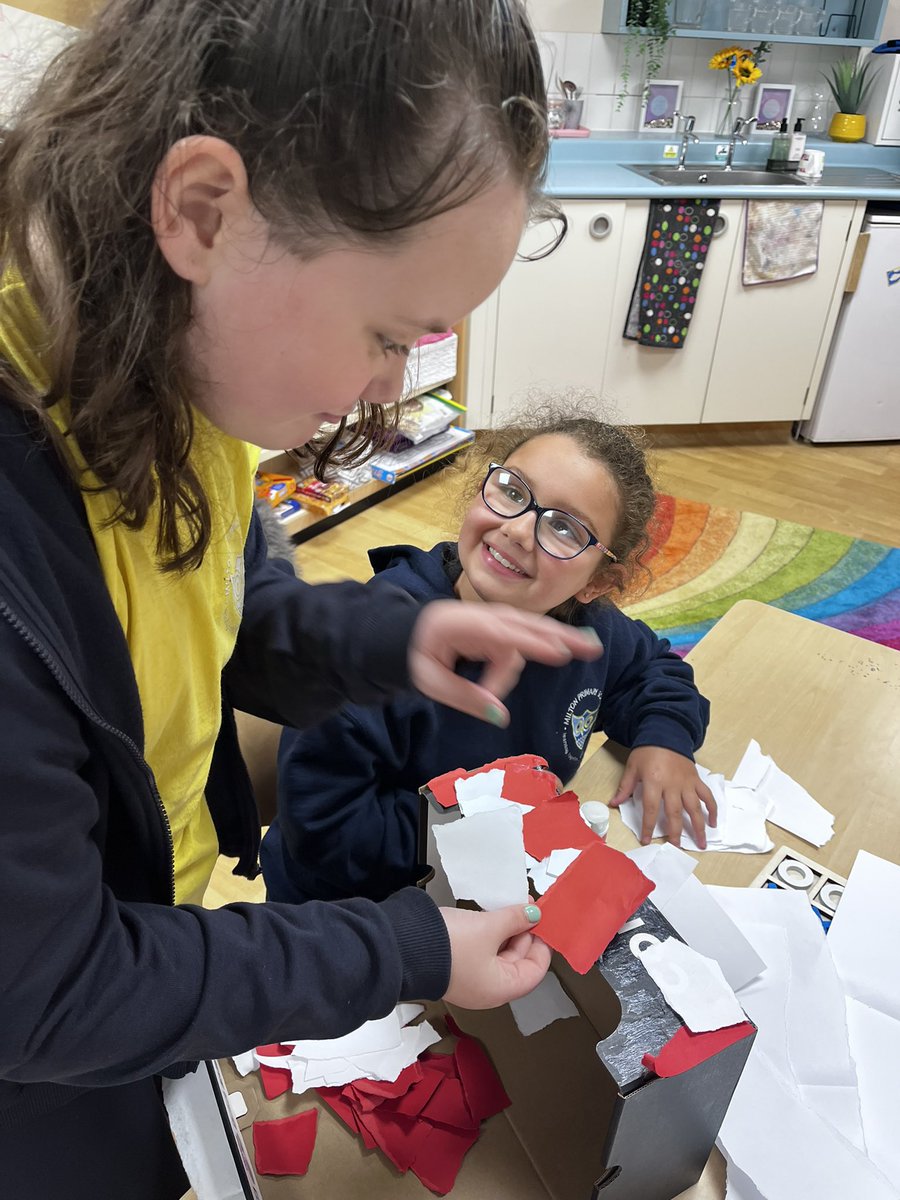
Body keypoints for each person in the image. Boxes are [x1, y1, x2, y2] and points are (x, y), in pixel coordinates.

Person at [0, 3, 605, 1196]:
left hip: (131, 946)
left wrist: (395, 637)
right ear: (202, 211)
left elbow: (223, 612)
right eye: (387, 335)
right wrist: (404, 947)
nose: (387, 387)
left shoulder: (151, 353)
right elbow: (52, 990)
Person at [264, 406, 715, 908]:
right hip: (356, 916)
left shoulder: (588, 630)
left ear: (597, 583)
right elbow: (325, 832)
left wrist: (665, 740)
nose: (518, 530)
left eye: (565, 528)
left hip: (497, 883)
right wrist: (487, 825)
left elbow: (652, 671)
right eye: (514, 492)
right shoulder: (377, 644)